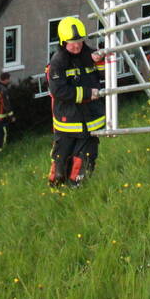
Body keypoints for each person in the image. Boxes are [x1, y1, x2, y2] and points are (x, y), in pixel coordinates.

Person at [46, 17, 105, 187]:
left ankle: (77, 192)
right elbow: (59, 91)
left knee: (84, 163)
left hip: (91, 121)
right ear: (63, 42)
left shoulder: (90, 54)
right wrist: (88, 93)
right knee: (60, 164)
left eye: (79, 41)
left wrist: (100, 61)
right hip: (68, 123)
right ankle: (56, 192)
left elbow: (106, 75)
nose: (77, 45)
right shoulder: (58, 62)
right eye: (72, 42)